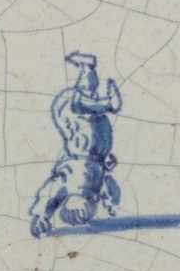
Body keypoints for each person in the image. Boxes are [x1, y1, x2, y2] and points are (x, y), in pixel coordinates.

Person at [29, 51, 122, 237]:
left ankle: (92, 78)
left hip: (94, 146)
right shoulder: (67, 188)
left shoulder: (87, 189)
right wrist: (41, 217)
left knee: (77, 107)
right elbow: (48, 196)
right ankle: (94, 83)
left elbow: (110, 185)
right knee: (74, 107)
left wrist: (111, 202)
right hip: (87, 146)